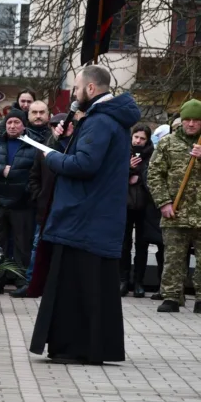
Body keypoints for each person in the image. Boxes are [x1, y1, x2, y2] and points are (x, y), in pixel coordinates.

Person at [30, 65, 139, 364]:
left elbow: (85, 166)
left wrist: (51, 156)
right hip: (93, 217)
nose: (74, 95)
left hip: (83, 218)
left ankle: (75, 348)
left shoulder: (101, 121)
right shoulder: (106, 119)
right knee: (91, 288)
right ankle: (90, 347)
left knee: (77, 288)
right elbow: (92, 160)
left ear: (91, 89)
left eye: (77, 89)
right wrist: (65, 143)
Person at [147, 101, 201, 313]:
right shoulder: (167, 143)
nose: (191, 124)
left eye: (196, 120)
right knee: (173, 257)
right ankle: (171, 296)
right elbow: (154, 174)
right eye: (187, 119)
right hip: (175, 212)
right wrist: (164, 202)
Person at [15, 114, 74, 298]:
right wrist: (39, 195)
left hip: (68, 208)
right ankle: (32, 283)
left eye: (63, 125)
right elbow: (34, 176)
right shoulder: (44, 149)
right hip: (45, 206)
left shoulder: (76, 149)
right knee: (36, 245)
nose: (59, 128)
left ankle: (60, 286)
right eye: (55, 125)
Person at [0, 109, 37, 294]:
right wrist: (0, 169)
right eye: (9, 123)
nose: (12, 126)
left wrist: (26, 191)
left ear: (23, 125)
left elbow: (36, 174)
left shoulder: (33, 146)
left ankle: (22, 282)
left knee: (22, 246)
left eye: (16, 122)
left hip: (22, 204)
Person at [120, 123, 162, 298]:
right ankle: (123, 280)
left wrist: (139, 177)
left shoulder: (153, 155)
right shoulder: (122, 152)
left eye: (142, 138)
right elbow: (112, 175)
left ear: (147, 140)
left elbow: (155, 177)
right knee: (124, 244)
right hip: (125, 205)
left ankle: (139, 281)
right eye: (136, 137)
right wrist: (128, 169)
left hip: (145, 207)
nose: (138, 141)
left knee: (142, 246)